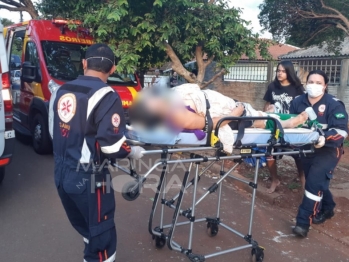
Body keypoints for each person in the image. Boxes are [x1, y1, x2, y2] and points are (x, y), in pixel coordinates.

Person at [49, 43, 144, 262]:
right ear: (112, 70)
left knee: (87, 229)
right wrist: (131, 151)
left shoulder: (62, 90)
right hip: (89, 177)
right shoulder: (106, 95)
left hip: (62, 174)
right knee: (102, 239)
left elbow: (57, 131)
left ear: (84, 63)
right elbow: (112, 146)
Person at [130, 83, 309, 153]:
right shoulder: (177, 115)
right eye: (146, 100)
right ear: (151, 111)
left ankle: (280, 118)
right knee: (263, 120)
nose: (147, 94)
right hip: (231, 115)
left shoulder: (166, 99)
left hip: (225, 104)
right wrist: (235, 114)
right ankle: (289, 122)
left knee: (263, 115)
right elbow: (210, 124)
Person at [290, 70, 348, 238]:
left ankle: (303, 222)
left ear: (325, 86)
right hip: (307, 149)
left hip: (328, 149)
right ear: (305, 83)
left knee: (313, 184)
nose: (313, 85)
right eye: (311, 81)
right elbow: (292, 123)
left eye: (318, 82)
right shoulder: (298, 102)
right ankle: (328, 208)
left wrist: (325, 137)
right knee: (316, 181)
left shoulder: (334, 104)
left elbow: (341, 131)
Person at [263, 60, 306, 193]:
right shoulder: (272, 87)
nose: (279, 73)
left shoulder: (297, 88)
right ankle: (275, 179)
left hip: (292, 127)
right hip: (276, 126)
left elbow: (303, 108)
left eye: (283, 71)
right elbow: (266, 105)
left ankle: (303, 180)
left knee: (298, 155)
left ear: (289, 72)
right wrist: (267, 111)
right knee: (269, 154)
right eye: (278, 71)